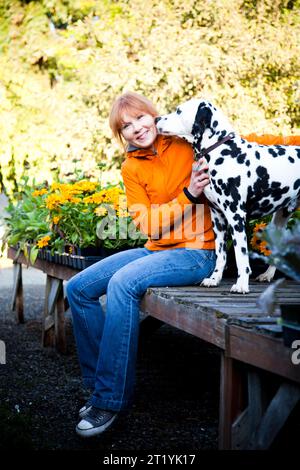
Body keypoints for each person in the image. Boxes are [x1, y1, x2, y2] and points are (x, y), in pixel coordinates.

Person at [66, 91, 216, 438]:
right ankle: (100, 385)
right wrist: (188, 195)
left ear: (154, 115)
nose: (136, 128)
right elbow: (149, 226)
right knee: (79, 288)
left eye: (140, 118)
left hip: (199, 251)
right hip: (157, 247)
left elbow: (242, 140)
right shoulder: (131, 167)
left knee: (122, 283)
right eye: (126, 126)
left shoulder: (185, 141)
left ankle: (109, 399)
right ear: (122, 135)